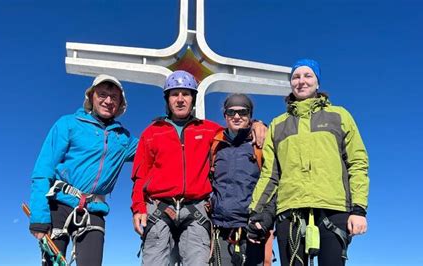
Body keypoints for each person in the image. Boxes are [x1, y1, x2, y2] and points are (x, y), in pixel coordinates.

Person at [131, 70, 267, 266]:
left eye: (185, 94)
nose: (180, 99)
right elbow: (140, 176)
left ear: (193, 98)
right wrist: (138, 208)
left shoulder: (209, 130)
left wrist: (257, 124)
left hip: (196, 210)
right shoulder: (152, 132)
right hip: (159, 207)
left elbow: (236, 128)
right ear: (167, 99)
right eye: (174, 94)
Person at [248, 59, 369, 266]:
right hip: (290, 210)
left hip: (333, 207)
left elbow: (357, 163)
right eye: (296, 77)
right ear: (291, 83)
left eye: (307, 75)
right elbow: (270, 174)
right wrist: (256, 212)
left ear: (318, 82)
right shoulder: (278, 124)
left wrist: (358, 210)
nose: (301, 81)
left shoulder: (339, 116)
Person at [29, 74, 138, 266]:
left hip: (94, 209)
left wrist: (164, 127)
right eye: (102, 94)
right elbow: (43, 169)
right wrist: (39, 216)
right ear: (91, 97)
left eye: (114, 97)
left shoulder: (124, 139)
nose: (108, 100)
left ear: (121, 103)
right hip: (59, 204)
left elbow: (153, 150)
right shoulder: (68, 124)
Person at [210, 93, 275, 266]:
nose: (237, 116)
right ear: (225, 116)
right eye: (231, 112)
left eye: (243, 112)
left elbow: (274, 181)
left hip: (253, 228)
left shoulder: (261, 144)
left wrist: (266, 218)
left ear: (250, 116)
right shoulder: (216, 145)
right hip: (222, 229)